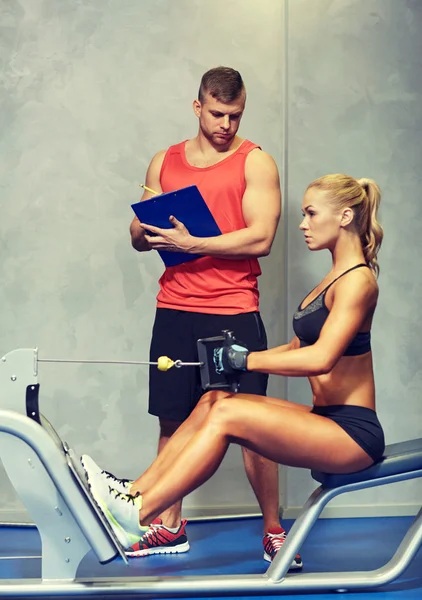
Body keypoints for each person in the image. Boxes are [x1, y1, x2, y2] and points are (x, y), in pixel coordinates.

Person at [83, 173, 385, 569]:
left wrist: (245, 360)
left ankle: (136, 517)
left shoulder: (358, 282)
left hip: (353, 434)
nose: (303, 224)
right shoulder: (332, 277)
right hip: (326, 419)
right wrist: (239, 354)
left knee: (228, 412)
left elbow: (320, 359)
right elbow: (299, 348)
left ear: (345, 216)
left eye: (311, 214)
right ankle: (131, 495)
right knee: (217, 398)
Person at [82, 66, 300, 566]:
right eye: (218, 113)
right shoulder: (165, 161)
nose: (227, 124)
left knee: (253, 427)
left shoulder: (255, 162)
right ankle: (168, 525)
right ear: (197, 106)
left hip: (232, 309)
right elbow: (138, 236)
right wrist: (144, 226)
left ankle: (273, 529)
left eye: (236, 115)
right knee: (172, 419)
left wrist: (193, 242)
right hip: (175, 307)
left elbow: (261, 237)